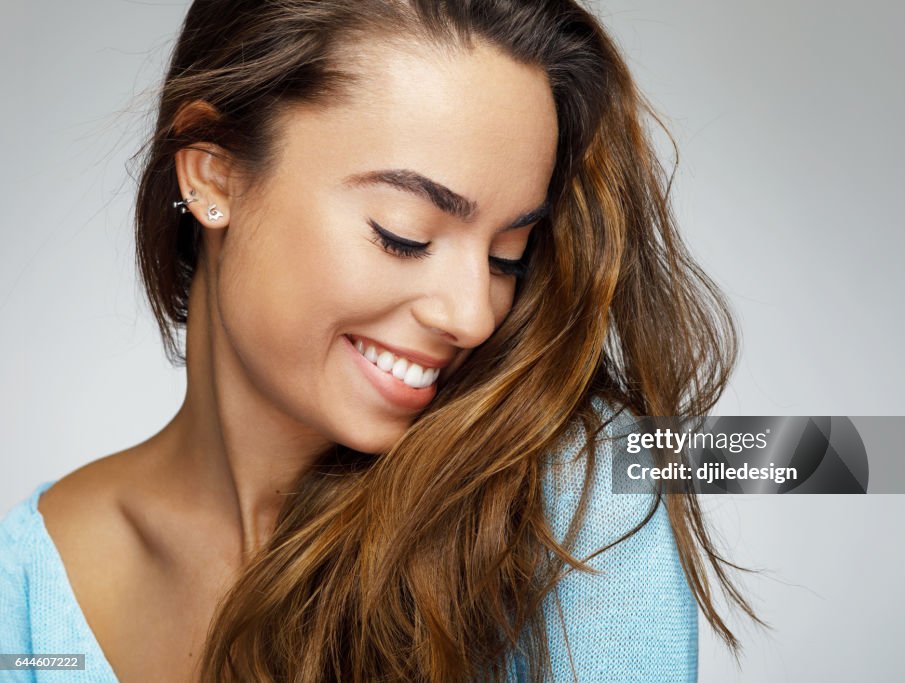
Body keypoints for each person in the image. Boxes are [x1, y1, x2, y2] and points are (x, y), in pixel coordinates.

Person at [0, 1, 762, 680]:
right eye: (405, 235)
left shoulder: (571, 492)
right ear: (214, 176)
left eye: (507, 257)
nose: (473, 316)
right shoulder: (31, 592)